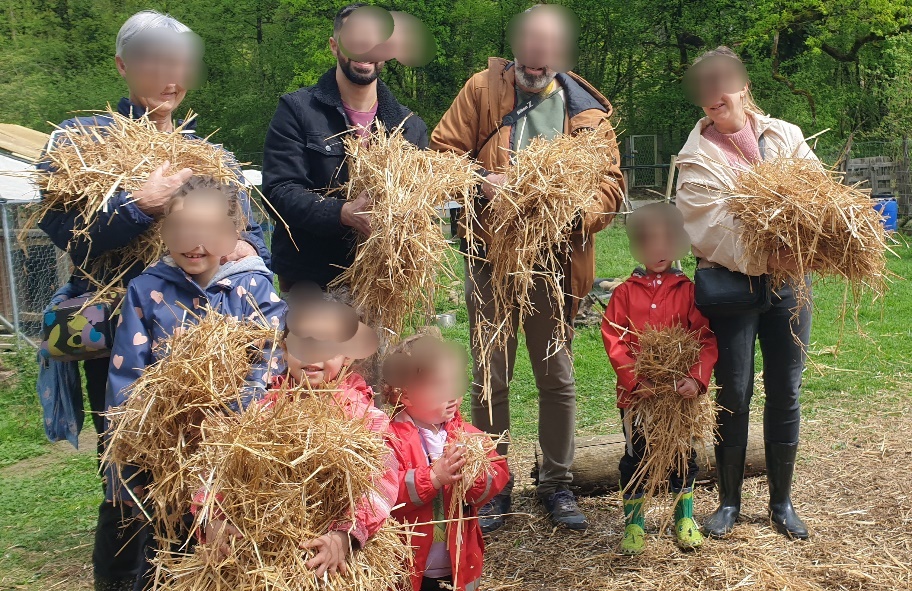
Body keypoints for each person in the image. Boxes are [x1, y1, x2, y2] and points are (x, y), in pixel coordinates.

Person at [35, 11, 270, 591]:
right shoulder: (82, 140)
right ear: (123, 65)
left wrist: (237, 240)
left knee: (207, 474)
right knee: (130, 481)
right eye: (155, 61)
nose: (171, 75)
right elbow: (69, 233)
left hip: (209, 340)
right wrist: (140, 204)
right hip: (127, 344)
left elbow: (253, 234)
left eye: (180, 63)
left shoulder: (203, 151)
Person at [430, 4, 625, 531]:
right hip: (490, 256)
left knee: (556, 376)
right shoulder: (481, 89)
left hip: (553, 263)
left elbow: (611, 183)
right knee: (491, 374)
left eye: (549, 46)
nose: (538, 57)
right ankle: (493, 482)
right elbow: (442, 152)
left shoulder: (585, 112)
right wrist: (477, 185)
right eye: (531, 43)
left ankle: (557, 484)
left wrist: (575, 211)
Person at [104, 176, 285, 589]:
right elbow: (127, 373)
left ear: (231, 236)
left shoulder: (251, 286)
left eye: (207, 231)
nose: (194, 242)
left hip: (233, 450)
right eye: (183, 230)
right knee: (166, 549)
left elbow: (269, 358)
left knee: (231, 550)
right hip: (168, 454)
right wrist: (129, 451)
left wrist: (235, 418)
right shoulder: (146, 291)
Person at [675, 46, 818, 540]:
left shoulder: (787, 136)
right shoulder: (694, 158)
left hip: (790, 288)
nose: (714, 93)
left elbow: (818, 196)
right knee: (733, 393)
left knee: (787, 389)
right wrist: (775, 255)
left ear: (742, 83)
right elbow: (711, 230)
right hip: (732, 288)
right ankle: (729, 503)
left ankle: (781, 502)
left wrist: (802, 247)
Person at [196, 290, 397, 578]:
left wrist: (347, 535)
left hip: (329, 558)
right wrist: (212, 517)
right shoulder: (264, 412)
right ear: (286, 349)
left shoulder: (365, 421)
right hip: (263, 558)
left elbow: (382, 484)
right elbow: (222, 466)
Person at [261, 3, 429, 293]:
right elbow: (279, 192)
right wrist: (342, 213)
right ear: (334, 46)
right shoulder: (297, 110)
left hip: (382, 286)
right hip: (311, 280)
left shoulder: (409, 126)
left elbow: (423, 198)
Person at [600, 203, 718, 555]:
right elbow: (614, 338)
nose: (659, 250)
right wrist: (636, 382)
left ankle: (685, 519)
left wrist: (696, 379)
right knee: (636, 456)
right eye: (650, 242)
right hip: (639, 399)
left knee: (683, 454)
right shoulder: (624, 293)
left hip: (679, 398)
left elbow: (705, 337)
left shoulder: (688, 291)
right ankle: (634, 525)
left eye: (667, 242)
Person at [383, 332, 509, 591]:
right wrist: (431, 478)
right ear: (404, 394)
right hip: (409, 567)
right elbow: (384, 493)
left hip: (460, 564)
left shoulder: (468, 436)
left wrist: (474, 479)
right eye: (438, 385)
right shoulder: (390, 439)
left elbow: (497, 474)